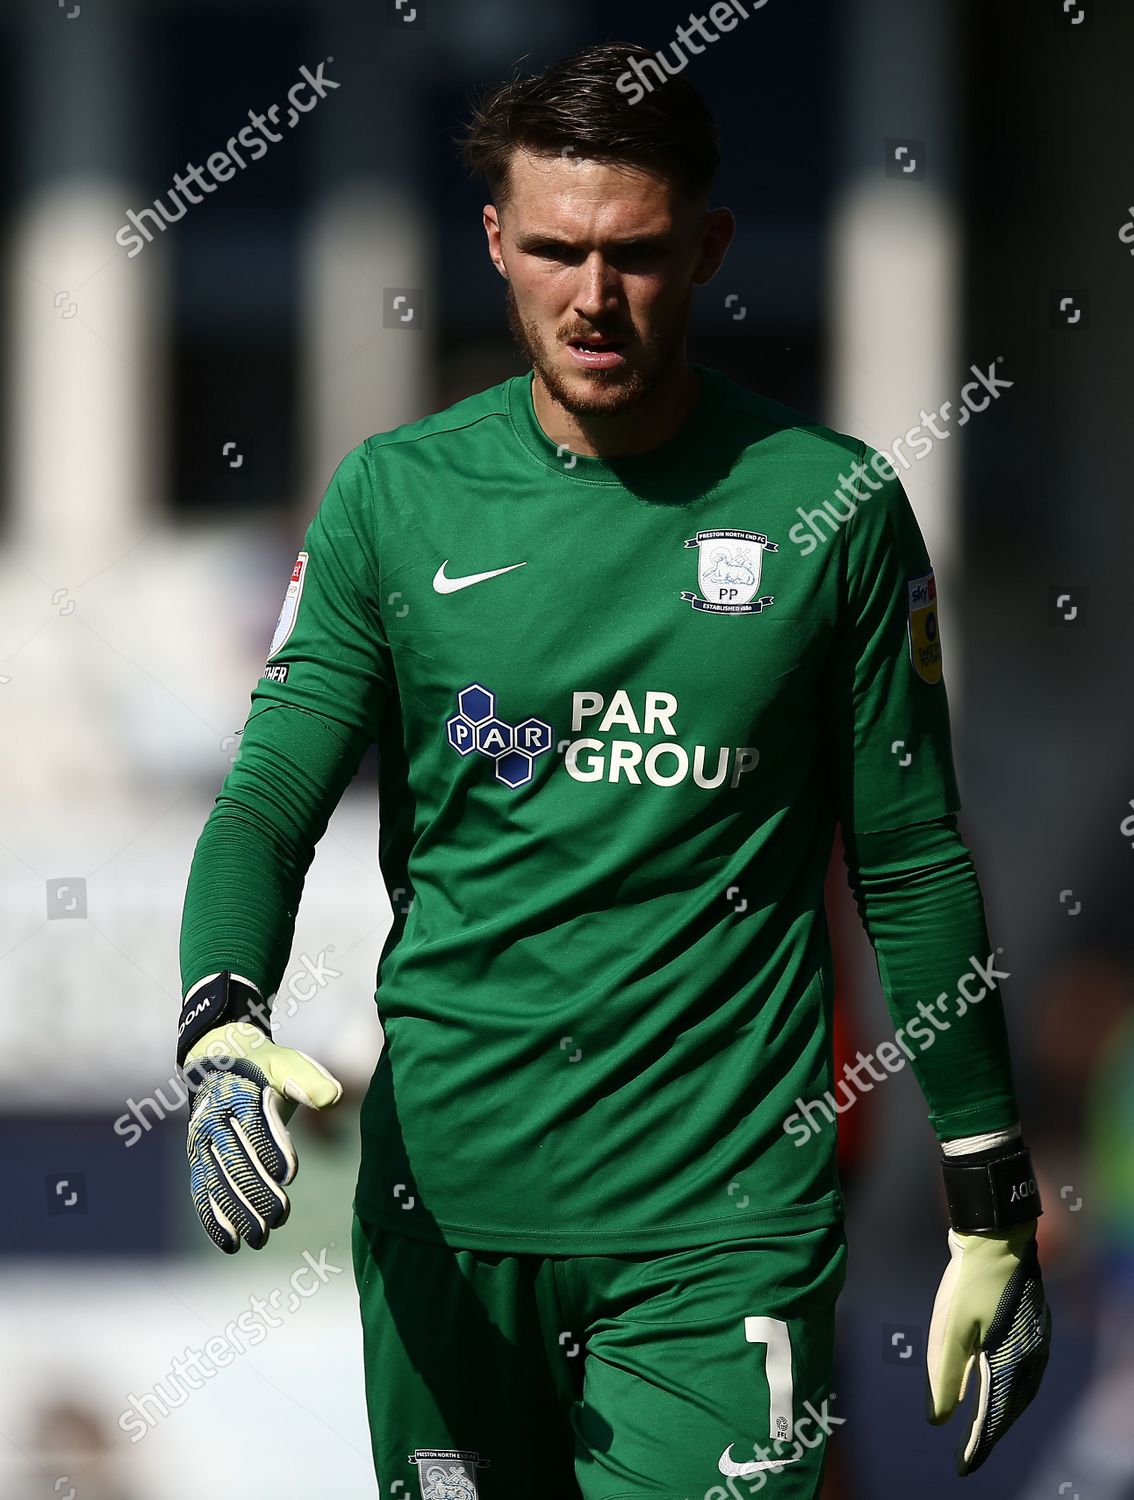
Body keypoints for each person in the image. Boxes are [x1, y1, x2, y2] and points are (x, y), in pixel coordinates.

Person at [175, 42, 1050, 1500]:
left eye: (635, 255)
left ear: (705, 248)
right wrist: (218, 1014)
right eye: (557, 251)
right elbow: (268, 799)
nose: (593, 297)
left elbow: (906, 856)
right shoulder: (393, 499)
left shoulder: (830, 507)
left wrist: (989, 1197)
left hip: (724, 1221)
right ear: (495, 244)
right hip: (447, 1209)